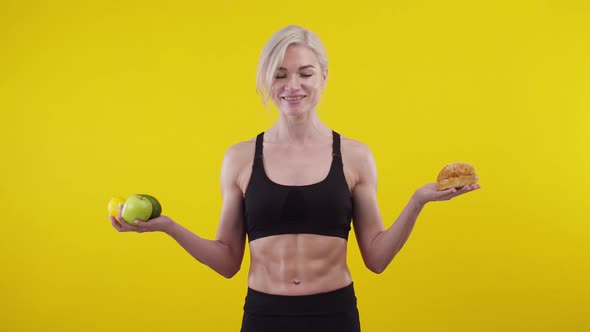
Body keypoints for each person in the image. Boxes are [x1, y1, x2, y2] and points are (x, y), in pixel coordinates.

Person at [109, 25, 480, 332]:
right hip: (264, 317)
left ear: (324, 75)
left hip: (334, 316)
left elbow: (377, 258)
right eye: (280, 75)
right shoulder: (239, 158)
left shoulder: (355, 156)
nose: (293, 86)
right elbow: (227, 261)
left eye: (305, 73)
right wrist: (169, 226)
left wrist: (417, 201)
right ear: (267, 80)